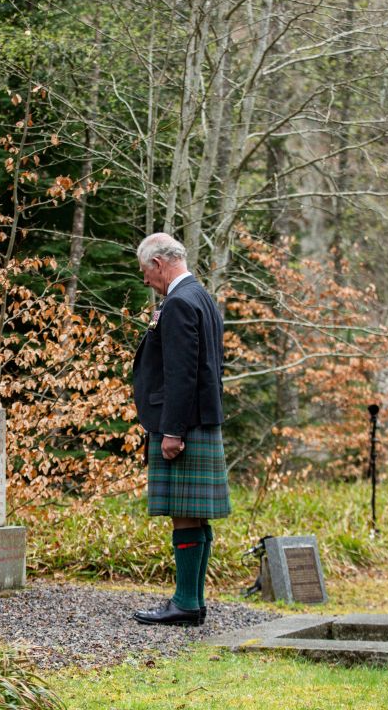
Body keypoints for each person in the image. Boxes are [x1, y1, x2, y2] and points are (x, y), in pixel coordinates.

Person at [131, 232, 231, 627]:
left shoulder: (177, 303)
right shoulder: (203, 297)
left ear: (158, 264)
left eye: (145, 272)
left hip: (182, 424)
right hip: (201, 420)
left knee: (185, 514)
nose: (145, 281)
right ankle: (192, 601)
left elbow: (181, 372)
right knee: (195, 515)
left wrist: (173, 430)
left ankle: (187, 603)